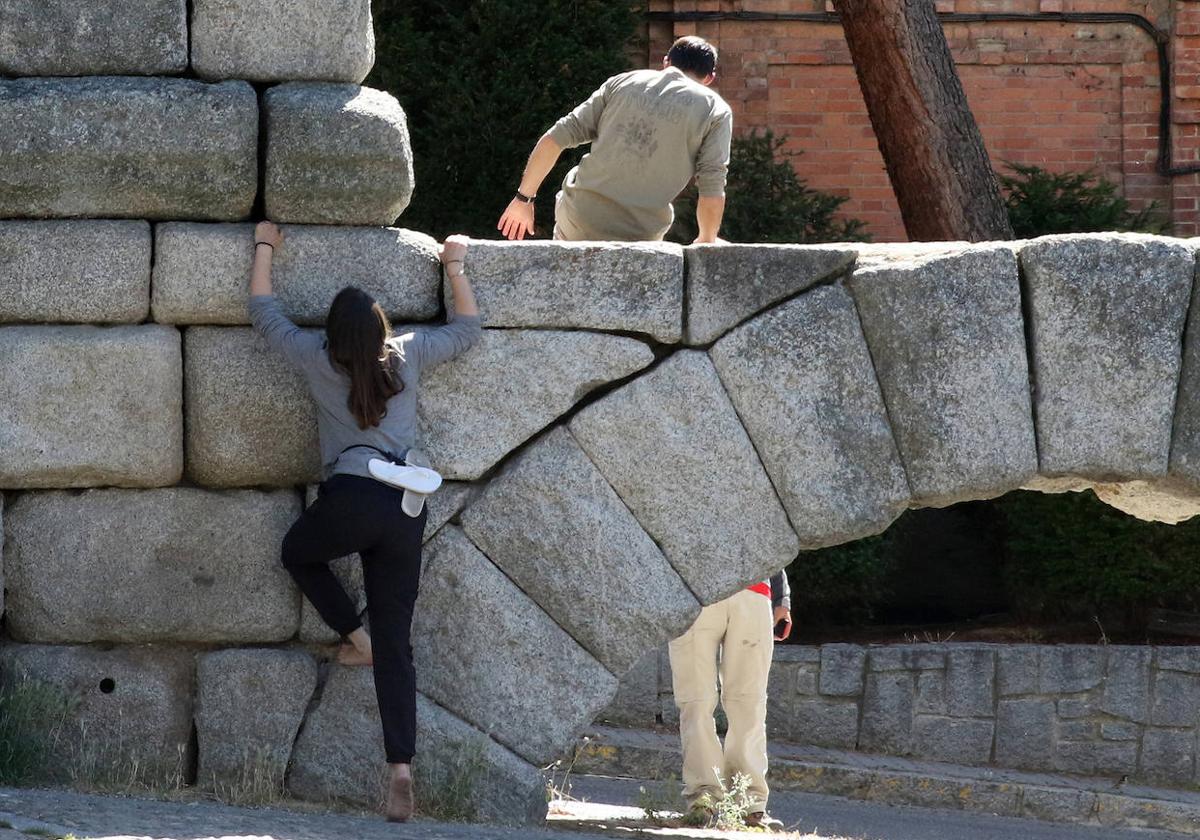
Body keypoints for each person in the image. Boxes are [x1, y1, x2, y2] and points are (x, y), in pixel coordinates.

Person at [247, 222, 482, 822]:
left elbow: (264, 312)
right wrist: (454, 266)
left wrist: (265, 247)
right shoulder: (406, 353)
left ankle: (356, 639)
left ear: (333, 334)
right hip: (406, 506)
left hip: (353, 495)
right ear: (381, 328)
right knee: (399, 645)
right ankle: (400, 769)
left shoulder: (317, 357)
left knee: (298, 554)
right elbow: (467, 330)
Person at [497, 35, 733, 244]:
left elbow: (555, 138)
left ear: (666, 62)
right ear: (709, 78)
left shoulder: (622, 82)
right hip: (640, 234)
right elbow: (712, 181)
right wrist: (707, 239)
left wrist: (523, 199)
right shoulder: (716, 111)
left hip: (578, 219)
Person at [668, 572, 792, 831]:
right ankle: (704, 798)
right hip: (692, 588)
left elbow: (768, 534)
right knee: (695, 700)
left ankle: (749, 805)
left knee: (750, 704)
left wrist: (782, 597)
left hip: (754, 590)